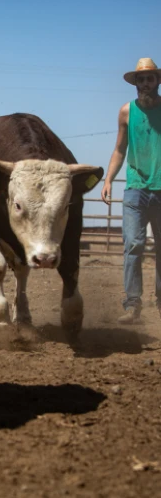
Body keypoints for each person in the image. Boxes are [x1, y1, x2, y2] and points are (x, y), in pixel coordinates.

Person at [101, 57, 161, 324]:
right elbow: (120, 149)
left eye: (150, 78)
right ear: (135, 83)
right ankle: (132, 304)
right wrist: (108, 179)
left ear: (157, 81)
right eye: (141, 79)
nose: (145, 83)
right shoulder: (126, 111)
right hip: (135, 189)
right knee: (133, 244)